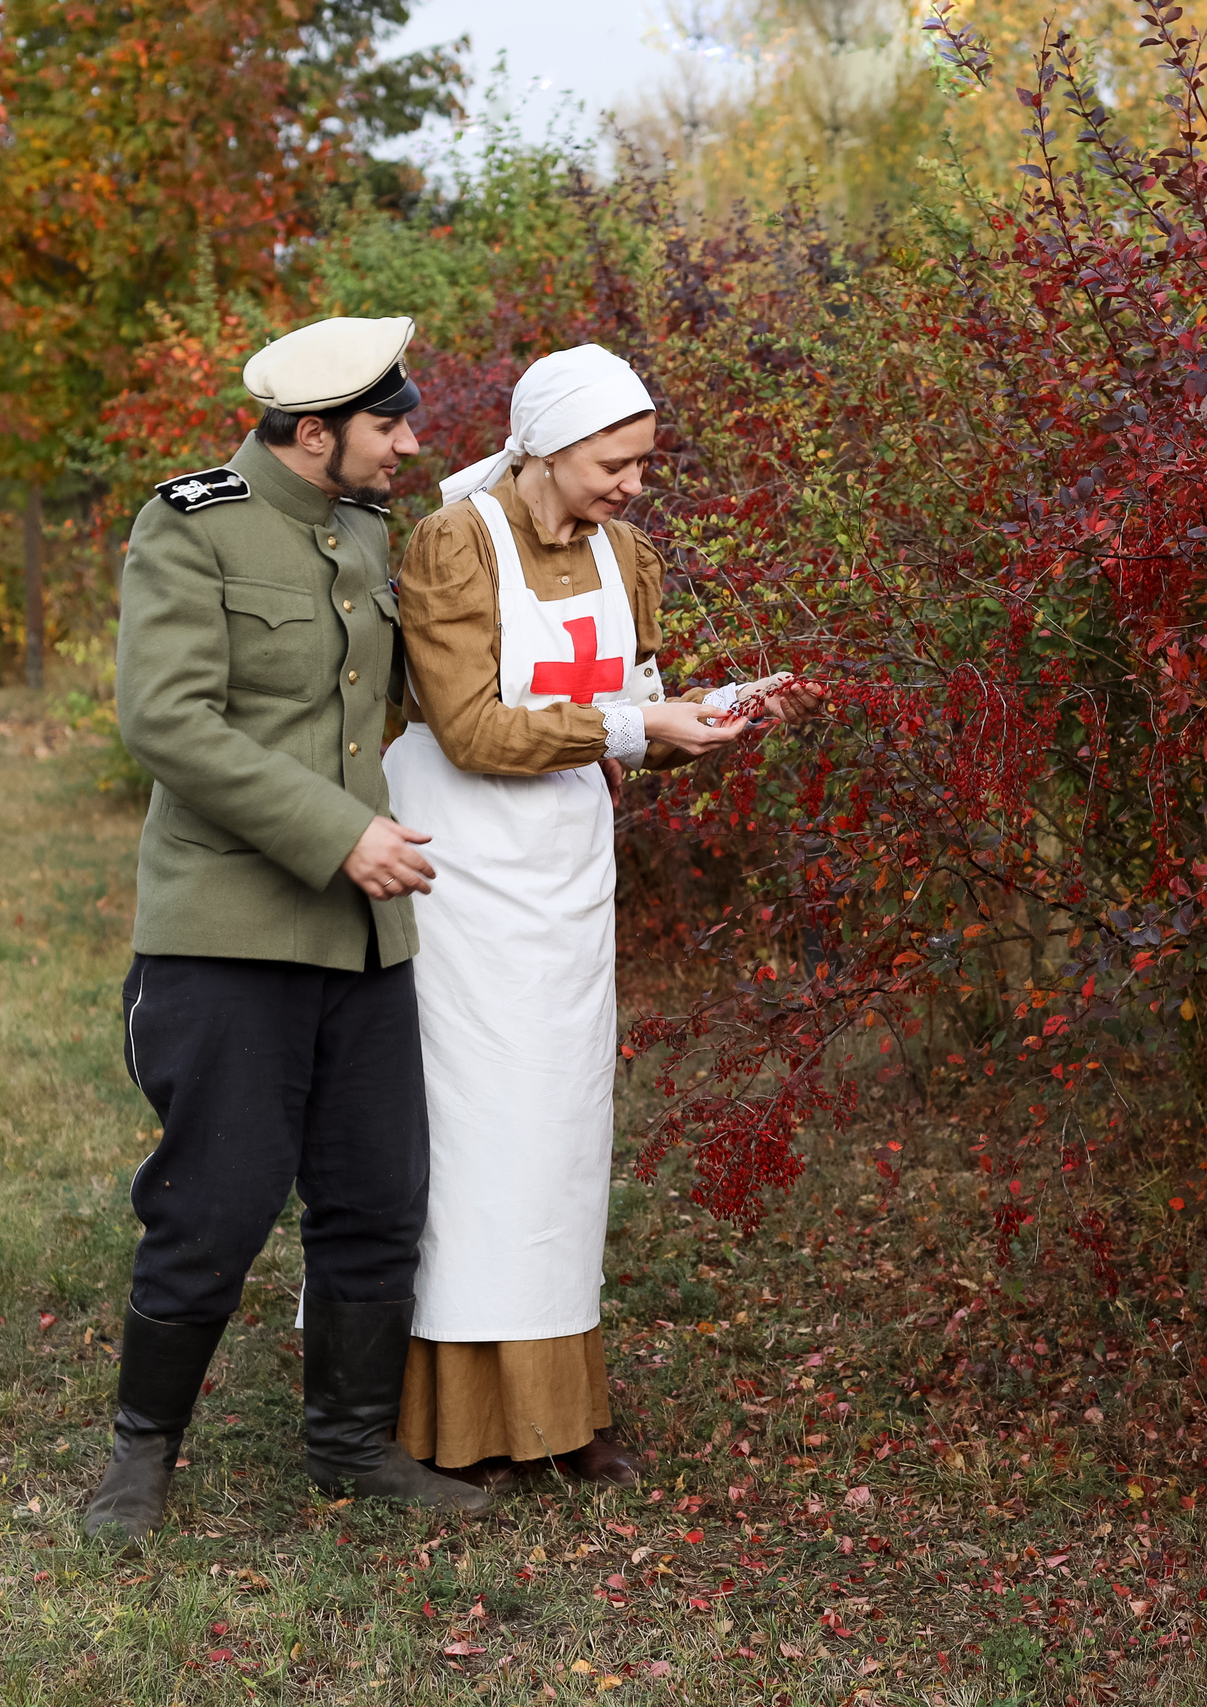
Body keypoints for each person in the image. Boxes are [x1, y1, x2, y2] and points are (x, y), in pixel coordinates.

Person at [87, 315, 494, 1549]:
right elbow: (166, 720)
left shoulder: (369, 532)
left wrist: (638, 723)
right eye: (389, 426)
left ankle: (351, 1447)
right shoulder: (191, 525)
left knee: (379, 1196)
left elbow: (438, 691)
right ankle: (137, 1464)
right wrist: (335, 833)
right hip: (229, 930)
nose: (410, 444)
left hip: (363, 940)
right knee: (212, 1207)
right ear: (314, 433)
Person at [388, 344, 820, 1489]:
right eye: (611, 463)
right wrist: (641, 728)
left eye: (641, 465)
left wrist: (707, 723)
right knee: (479, 1145)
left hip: (569, 884)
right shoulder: (454, 543)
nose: (632, 485)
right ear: (543, 447)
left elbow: (629, 717)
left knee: (564, 1147)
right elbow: (473, 730)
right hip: (462, 878)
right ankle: (463, 1424)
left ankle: (562, 1414)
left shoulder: (627, 556)